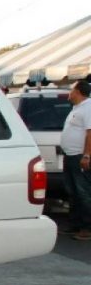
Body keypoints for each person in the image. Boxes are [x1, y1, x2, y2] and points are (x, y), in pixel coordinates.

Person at [60, 77, 91, 240]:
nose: (69, 93)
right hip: (70, 155)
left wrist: (87, 155)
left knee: (83, 191)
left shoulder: (88, 108)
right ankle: (75, 224)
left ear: (78, 92)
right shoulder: (77, 108)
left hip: (80, 156)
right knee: (73, 192)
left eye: (71, 89)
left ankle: (87, 227)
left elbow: (90, 133)